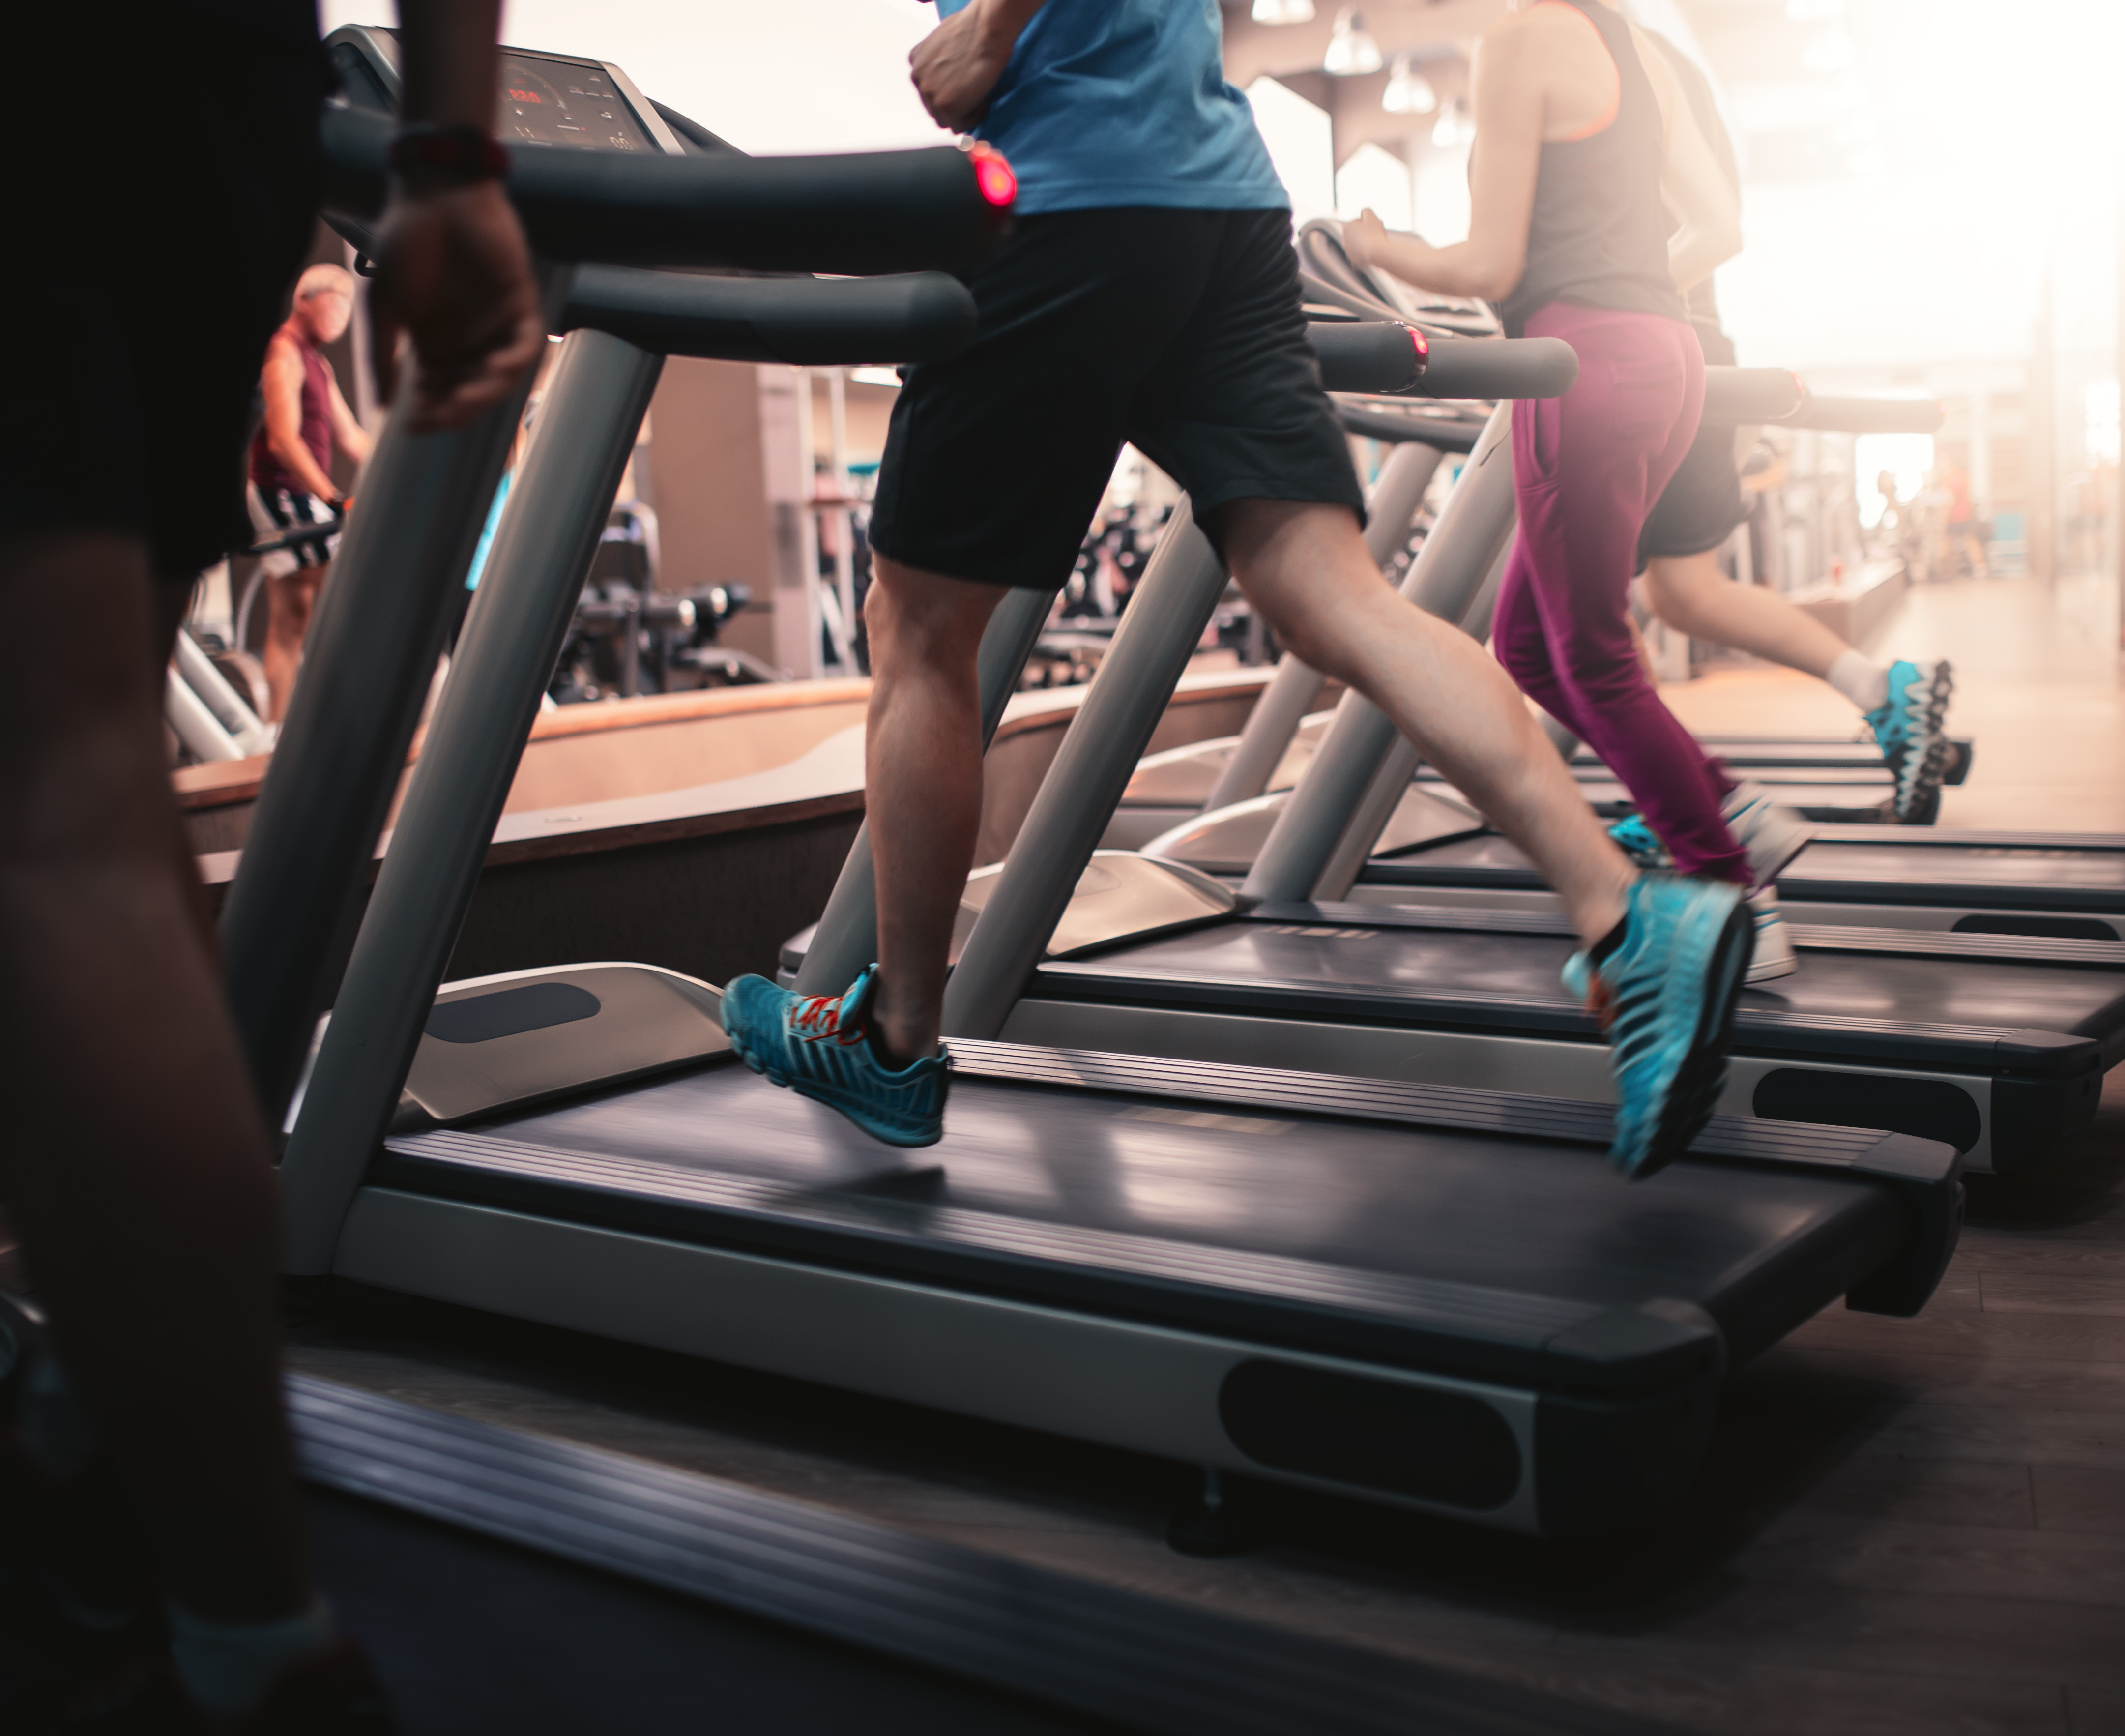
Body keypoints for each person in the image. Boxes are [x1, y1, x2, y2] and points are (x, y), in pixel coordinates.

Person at [0, 2, 541, 1728]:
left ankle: (253, 1657)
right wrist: (452, 149)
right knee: (84, 795)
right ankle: (86, 1428)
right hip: (203, 96)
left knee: (45, 827)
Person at [719, 0, 1753, 1181]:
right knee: (1332, 589)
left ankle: (893, 1043)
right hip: (1226, 202)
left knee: (915, 629)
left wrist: (996, 31)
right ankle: (1624, 914)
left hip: (1067, 191)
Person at [1346, 0, 1810, 978]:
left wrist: (1374, 246)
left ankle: (1735, 899)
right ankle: (1721, 805)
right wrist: (1621, 305)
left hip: (1584, 366)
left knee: (1592, 654)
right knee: (1525, 641)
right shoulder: (1633, 46)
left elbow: (1487, 264)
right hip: (1665, 354)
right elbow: (1714, 225)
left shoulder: (1515, 38)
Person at [1609, 25, 1953, 847]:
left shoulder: (1602, 49)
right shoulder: (1667, 62)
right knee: (1680, 592)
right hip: (1693, 347)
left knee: (1579, 609)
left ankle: (1681, 799)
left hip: (1640, 357)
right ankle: (1880, 687)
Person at [249, 263, 376, 720]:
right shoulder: (284, 353)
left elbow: (353, 438)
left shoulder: (317, 362)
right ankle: (350, 717)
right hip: (285, 491)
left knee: (291, 619)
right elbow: (283, 437)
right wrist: (331, 497)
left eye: (349, 304)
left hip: (302, 496)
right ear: (305, 300)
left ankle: (276, 730)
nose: (343, 315)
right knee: (349, 598)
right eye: (336, 302)